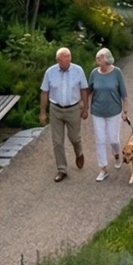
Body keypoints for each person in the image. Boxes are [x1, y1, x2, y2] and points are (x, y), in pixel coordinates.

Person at [39, 47, 89, 182]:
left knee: (74, 137)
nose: (66, 61)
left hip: (73, 108)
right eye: (63, 60)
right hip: (55, 109)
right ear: (58, 60)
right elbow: (44, 92)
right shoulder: (50, 72)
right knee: (57, 141)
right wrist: (42, 112)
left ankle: (79, 152)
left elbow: (84, 89)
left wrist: (85, 108)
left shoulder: (78, 71)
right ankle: (62, 169)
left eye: (68, 58)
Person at [88, 48, 128, 182]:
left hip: (114, 111)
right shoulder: (94, 73)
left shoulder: (117, 73)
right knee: (100, 139)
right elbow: (89, 91)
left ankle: (117, 154)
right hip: (97, 111)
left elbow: (124, 93)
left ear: (107, 59)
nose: (97, 60)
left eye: (100, 58)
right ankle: (103, 169)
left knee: (113, 139)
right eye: (97, 58)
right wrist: (84, 105)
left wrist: (125, 111)